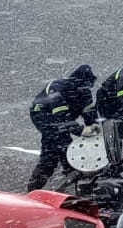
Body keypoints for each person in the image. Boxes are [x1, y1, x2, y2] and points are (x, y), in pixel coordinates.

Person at [25, 64, 98, 192]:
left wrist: (94, 124)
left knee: (55, 149)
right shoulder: (58, 89)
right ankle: (69, 169)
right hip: (43, 116)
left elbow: (89, 111)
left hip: (63, 118)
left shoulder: (85, 91)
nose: (85, 90)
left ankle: (68, 170)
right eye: (83, 87)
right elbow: (60, 118)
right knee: (59, 141)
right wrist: (80, 130)